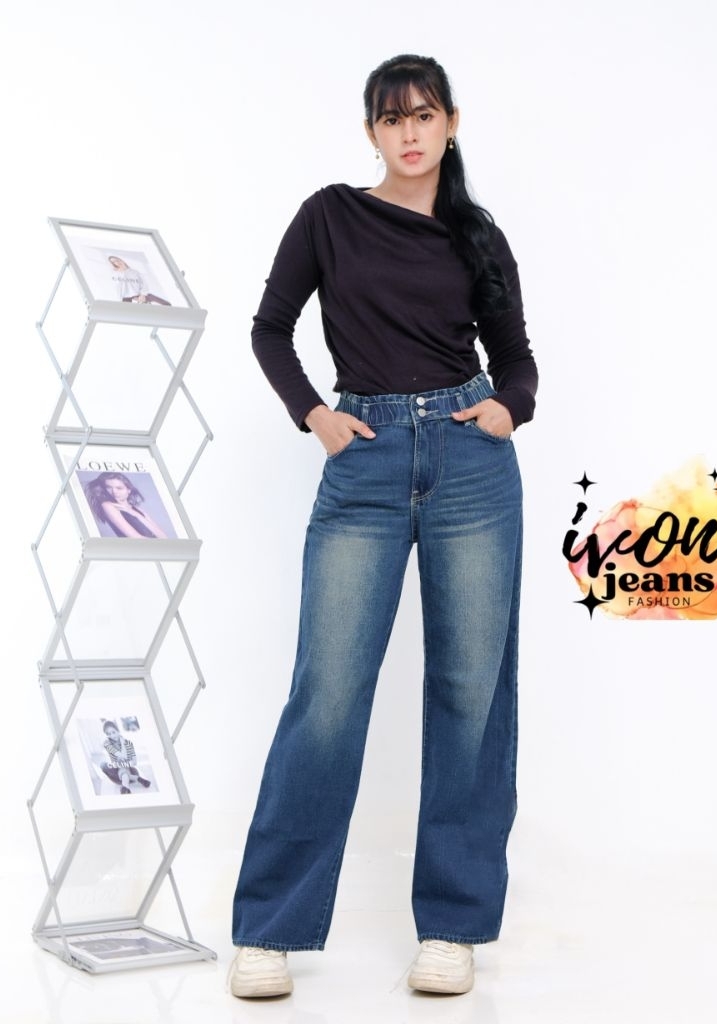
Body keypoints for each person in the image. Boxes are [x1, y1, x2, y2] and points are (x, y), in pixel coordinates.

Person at [228, 54, 537, 1000]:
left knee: (471, 693)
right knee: (327, 691)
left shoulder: (476, 233)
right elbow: (270, 327)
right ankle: (270, 929)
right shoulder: (330, 215)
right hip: (363, 458)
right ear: (371, 132)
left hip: (470, 464)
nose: (410, 132)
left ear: (451, 124)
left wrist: (509, 410)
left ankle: (452, 928)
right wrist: (316, 416)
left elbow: (517, 358)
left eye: (425, 115)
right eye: (392, 118)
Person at [83, 472, 169, 539]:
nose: (114, 492)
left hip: (155, 548)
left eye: (119, 488)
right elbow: (136, 538)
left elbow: (163, 537)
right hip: (141, 551)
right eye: (109, 487)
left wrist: (136, 514)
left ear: (129, 490)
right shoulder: (108, 506)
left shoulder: (137, 510)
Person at [99, 720, 152, 795]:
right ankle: (138, 779)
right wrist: (118, 764)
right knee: (103, 765)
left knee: (123, 769)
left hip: (130, 770)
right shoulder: (107, 743)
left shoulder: (128, 743)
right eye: (109, 734)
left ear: (118, 730)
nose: (112, 736)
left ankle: (125, 787)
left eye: (113, 732)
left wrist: (123, 743)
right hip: (116, 774)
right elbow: (121, 755)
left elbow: (134, 762)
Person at [106, 255, 171, 305]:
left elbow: (144, 284)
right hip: (125, 298)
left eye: (117, 260)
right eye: (114, 262)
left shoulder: (135, 272)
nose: (117, 262)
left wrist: (142, 295)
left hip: (140, 295)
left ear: (121, 259)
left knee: (166, 304)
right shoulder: (116, 274)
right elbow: (117, 288)